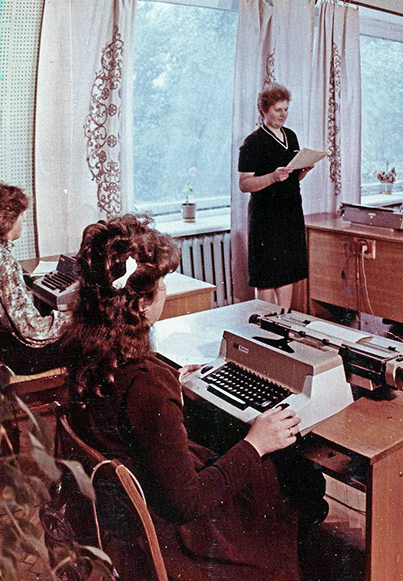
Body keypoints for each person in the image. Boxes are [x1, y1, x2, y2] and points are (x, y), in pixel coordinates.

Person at [63, 215, 305, 581]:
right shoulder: (147, 384)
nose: (164, 292)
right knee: (279, 478)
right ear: (140, 305)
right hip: (171, 537)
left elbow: (123, 407)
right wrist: (256, 443)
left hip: (120, 513)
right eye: (161, 284)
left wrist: (169, 387)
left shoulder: (85, 347)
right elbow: (186, 504)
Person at [239, 84, 312, 309]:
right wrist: (272, 177)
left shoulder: (291, 136)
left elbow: (293, 179)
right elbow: (244, 184)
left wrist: (304, 169)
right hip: (266, 217)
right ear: (265, 110)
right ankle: (266, 322)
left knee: (287, 272)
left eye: (286, 109)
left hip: (290, 212)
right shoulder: (253, 142)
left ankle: (285, 318)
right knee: (267, 276)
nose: (283, 114)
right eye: (278, 110)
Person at [0, 183, 70, 375]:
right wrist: (74, 316)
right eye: (21, 214)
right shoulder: (5, 263)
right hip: (16, 355)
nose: (24, 219)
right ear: (7, 220)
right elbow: (31, 331)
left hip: (5, 344)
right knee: (89, 342)